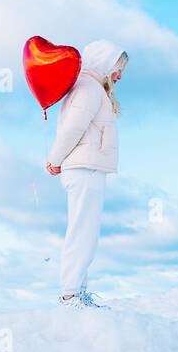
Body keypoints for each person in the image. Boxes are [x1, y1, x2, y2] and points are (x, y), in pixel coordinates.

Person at [44, 40, 127, 307]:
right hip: (84, 168)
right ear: (104, 62)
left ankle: (76, 292)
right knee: (83, 231)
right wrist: (54, 159)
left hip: (87, 167)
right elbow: (73, 128)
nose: (119, 75)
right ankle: (70, 295)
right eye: (117, 67)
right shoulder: (89, 88)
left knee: (85, 230)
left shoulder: (89, 87)